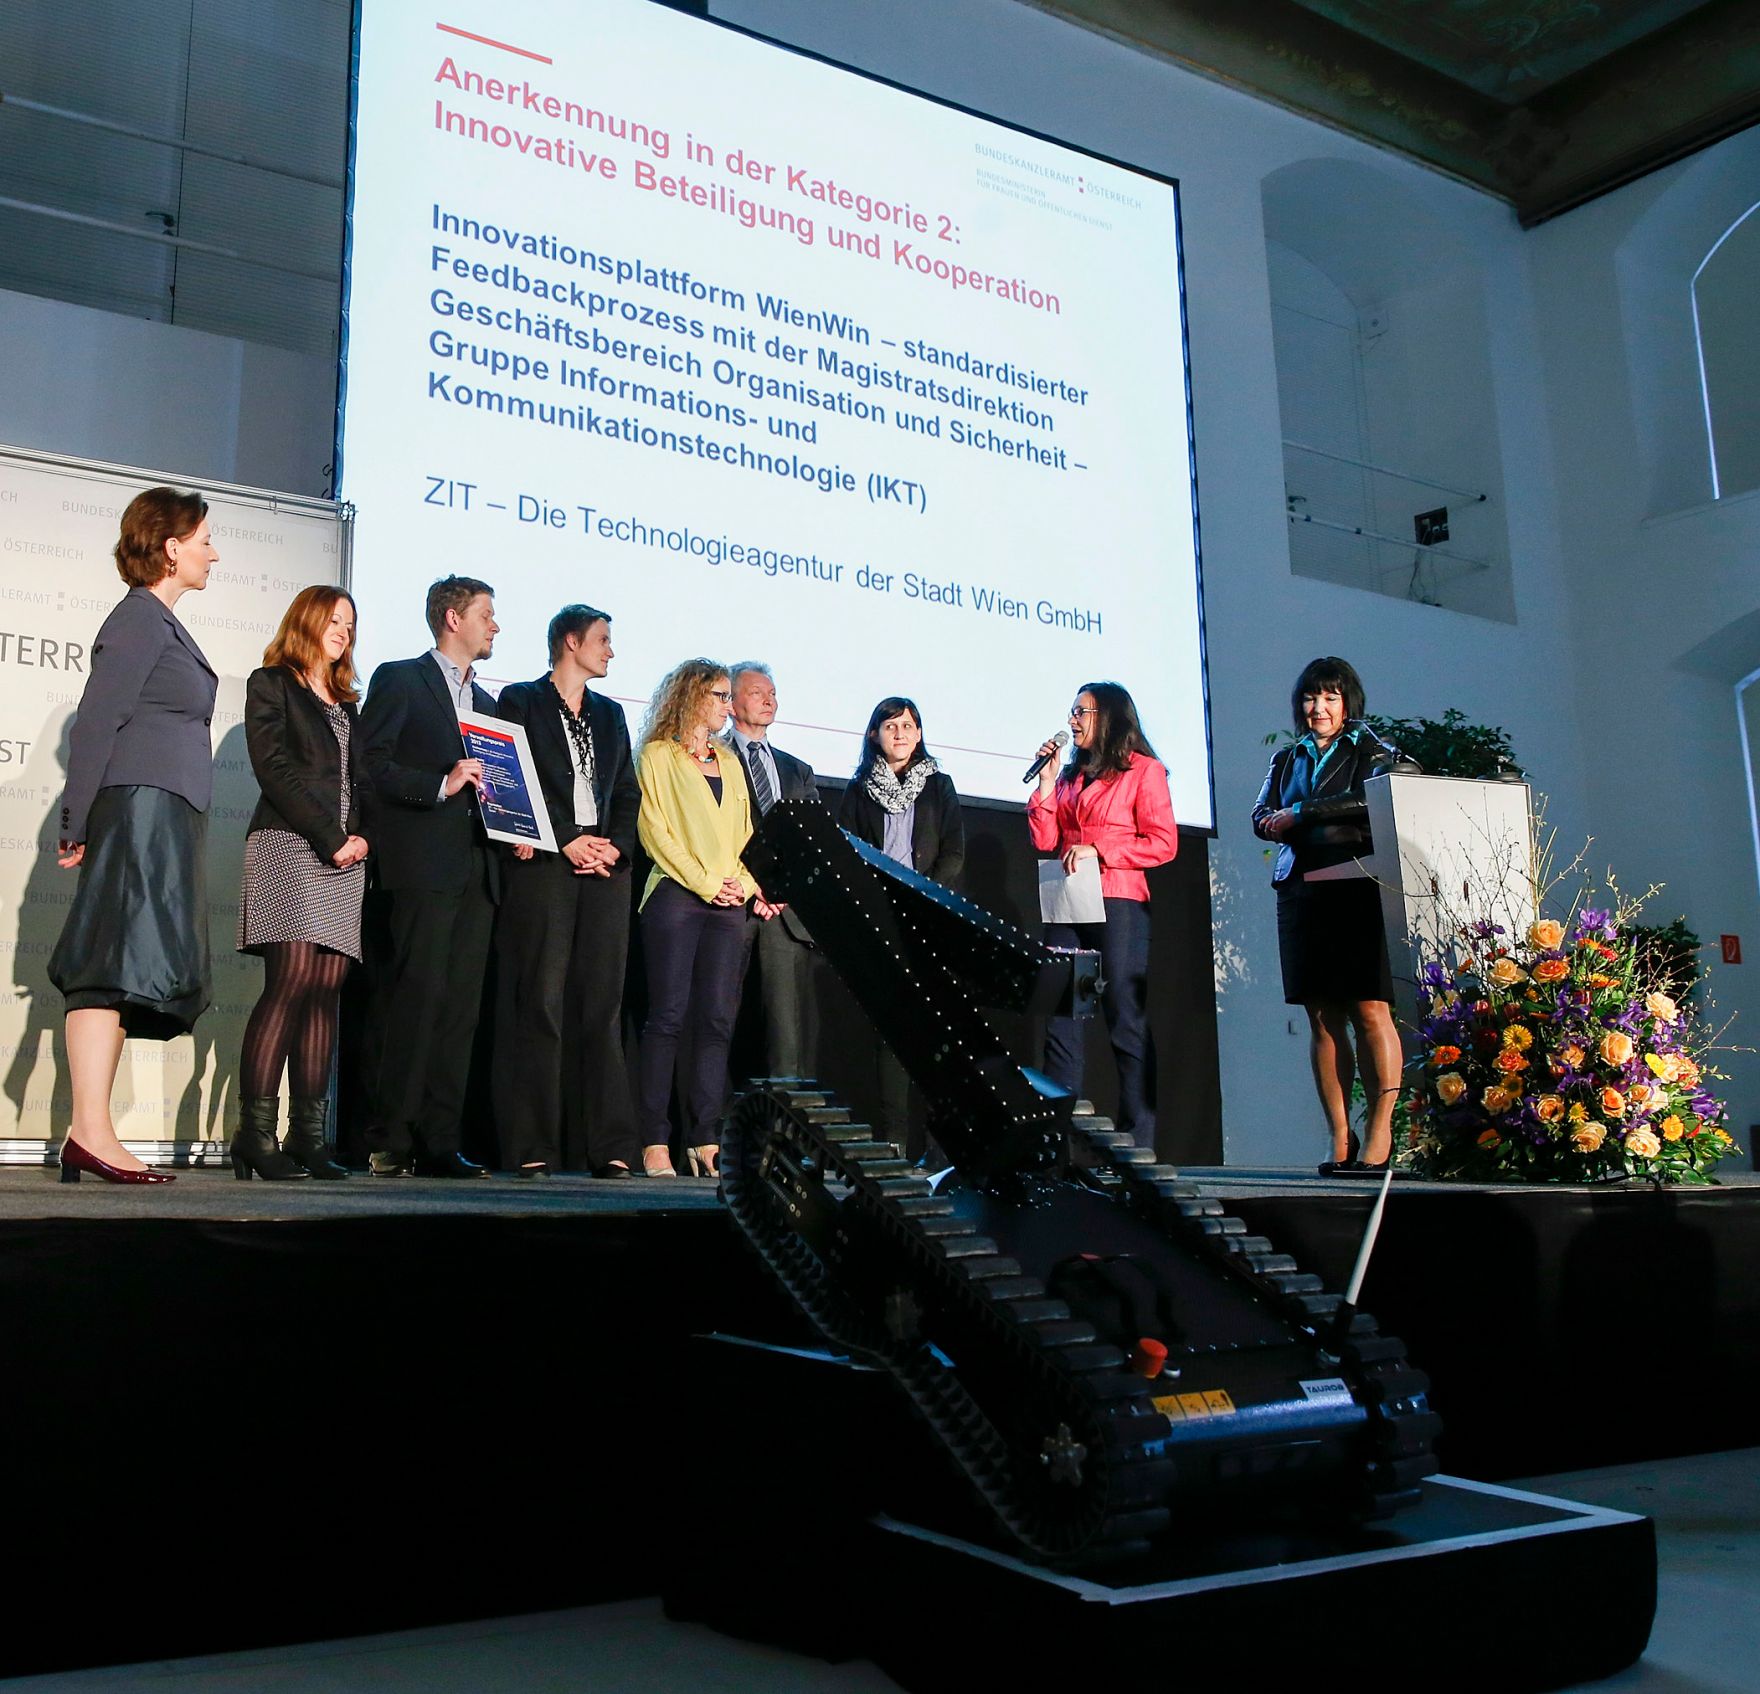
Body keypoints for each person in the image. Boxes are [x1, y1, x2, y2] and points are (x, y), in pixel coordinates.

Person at [49, 486, 219, 1184]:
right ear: (171, 546)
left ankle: (90, 1133)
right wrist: (76, 820)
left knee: (122, 971)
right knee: (107, 968)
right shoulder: (139, 621)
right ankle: (89, 1134)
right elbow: (96, 723)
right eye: (204, 538)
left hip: (162, 811)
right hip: (138, 809)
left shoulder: (161, 623)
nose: (213, 552)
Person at [356, 575, 502, 1178]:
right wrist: (438, 784)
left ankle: (440, 1140)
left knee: (461, 1010)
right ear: (452, 618)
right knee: (416, 1001)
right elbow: (371, 764)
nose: (495, 626)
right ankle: (392, 1138)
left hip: (478, 869)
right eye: (487, 614)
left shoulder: (491, 707)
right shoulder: (400, 678)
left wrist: (515, 829)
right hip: (421, 864)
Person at [491, 604, 641, 1177]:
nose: (610, 651)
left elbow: (625, 789)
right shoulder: (521, 701)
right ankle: (533, 1143)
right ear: (570, 642)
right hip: (547, 868)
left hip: (604, 872)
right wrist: (563, 839)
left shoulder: (610, 714)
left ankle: (609, 1145)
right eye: (603, 639)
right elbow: (513, 775)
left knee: (601, 1008)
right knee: (542, 1005)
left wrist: (615, 846)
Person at [233, 586, 369, 1180]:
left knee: (325, 990)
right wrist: (330, 835)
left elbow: (359, 786)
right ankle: (253, 1138)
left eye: (349, 623)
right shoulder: (272, 683)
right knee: (289, 981)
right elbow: (275, 769)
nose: (342, 630)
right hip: (290, 845)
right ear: (307, 621)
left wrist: (359, 839)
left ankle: (307, 1138)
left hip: (345, 859)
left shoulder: (348, 703)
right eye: (333, 619)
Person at [1252, 656, 1399, 1176]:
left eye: (1330, 698)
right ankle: (1340, 1134)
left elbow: (1378, 795)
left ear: (1348, 704)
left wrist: (1305, 813)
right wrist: (1272, 821)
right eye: (1312, 698)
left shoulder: (1371, 749)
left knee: (1369, 1007)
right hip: (1299, 888)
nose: (1319, 708)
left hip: (1355, 883)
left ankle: (1381, 1128)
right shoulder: (1288, 758)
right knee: (1320, 1015)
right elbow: (1260, 811)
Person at [1029, 682, 1177, 1150]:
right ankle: (1059, 1139)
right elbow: (1044, 840)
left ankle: (1139, 1138)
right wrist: (1047, 784)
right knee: (1061, 1015)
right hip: (1068, 901)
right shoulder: (1072, 776)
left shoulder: (1144, 771)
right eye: (1071, 711)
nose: (1072, 720)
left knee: (1123, 1017)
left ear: (1108, 716)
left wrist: (1100, 848)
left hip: (1118, 900)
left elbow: (1163, 842)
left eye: (1082, 711)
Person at [634, 660, 757, 1178]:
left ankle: (705, 1137)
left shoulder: (729, 761)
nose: (730, 706)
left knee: (716, 1021)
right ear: (692, 696)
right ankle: (654, 1139)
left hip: (729, 903)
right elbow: (654, 831)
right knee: (667, 1018)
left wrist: (743, 884)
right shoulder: (658, 756)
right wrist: (707, 882)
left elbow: (748, 833)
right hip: (677, 900)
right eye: (721, 696)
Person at [838, 696, 965, 1156]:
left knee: (934, 1034)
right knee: (891, 1034)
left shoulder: (939, 785)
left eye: (909, 725)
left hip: (928, 916)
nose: (901, 733)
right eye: (891, 726)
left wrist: (923, 895)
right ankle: (893, 1140)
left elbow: (953, 852)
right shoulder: (857, 790)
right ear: (875, 735)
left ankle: (937, 1148)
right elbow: (848, 855)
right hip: (879, 918)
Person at [726, 661, 819, 1079]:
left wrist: (779, 888)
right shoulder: (712, 757)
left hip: (784, 913)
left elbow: (810, 841)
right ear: (730, 702)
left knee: (786, 1038)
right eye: (757, 692)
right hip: (732, 904)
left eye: (773, 693)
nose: (769, 700)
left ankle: (787, 1135)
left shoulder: (798, 770)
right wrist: (755, 885)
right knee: (723, 1024)